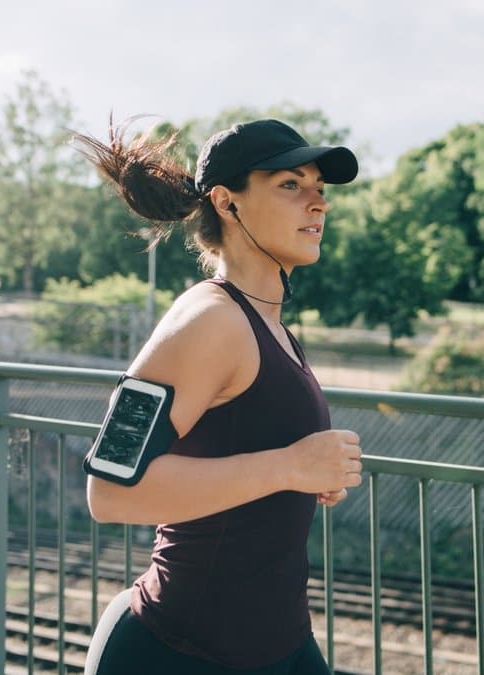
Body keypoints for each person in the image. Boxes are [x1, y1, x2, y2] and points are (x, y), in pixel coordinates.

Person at [74, 118, 365, 675]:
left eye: (320, 190)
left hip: (277, 645)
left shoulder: (267, 321)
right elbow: (109, 492)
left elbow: (237, 447)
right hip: (176, 653)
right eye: (291, 185)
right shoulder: (209, 320)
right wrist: (286, 468)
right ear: (227, 203)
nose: (317, 204)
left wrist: (305, 475)